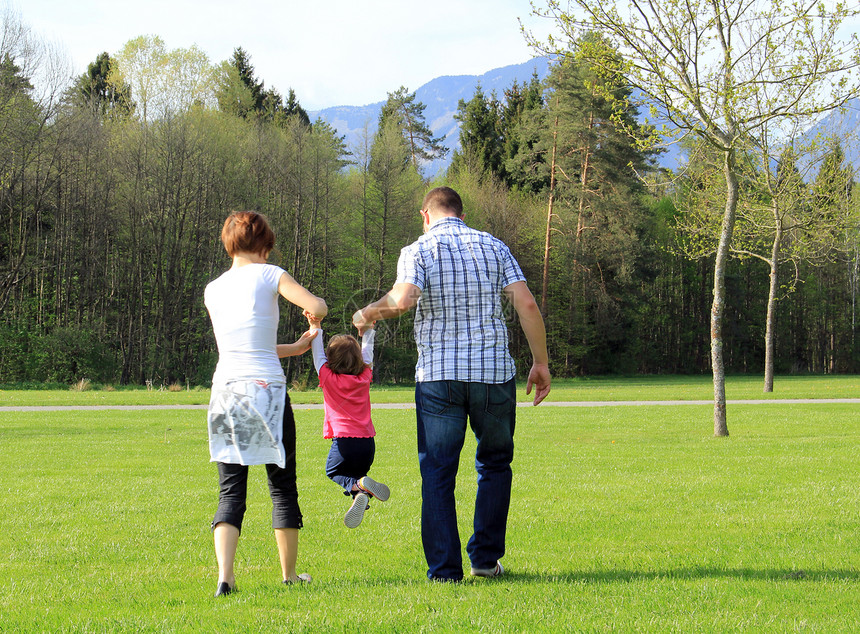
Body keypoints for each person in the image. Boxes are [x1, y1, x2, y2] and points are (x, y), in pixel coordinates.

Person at [353, 186, 551, 582]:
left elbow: (404, 299)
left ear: (425, 214)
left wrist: (368, 312)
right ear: (460, 213)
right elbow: (527, 305)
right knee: (495, 464)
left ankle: (444, 571)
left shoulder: (419, 250)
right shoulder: (494, 247)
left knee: (438, 471)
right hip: (493, 374)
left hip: (439, 377)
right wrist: (541, 363)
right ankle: (484, 559)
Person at [204, 210, 327, 597]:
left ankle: (226, 577)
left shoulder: (213, 288)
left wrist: (295, 347)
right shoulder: (271, 274)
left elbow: (245, 345)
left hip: (225, 389)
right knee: (281, 485)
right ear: (263, 245)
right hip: (267, 390)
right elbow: (317, 306)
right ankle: (289, 576)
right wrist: (314, 313)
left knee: (230, 488)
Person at [305, 312, 390, 528]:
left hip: (344, 442)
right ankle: (360, 494)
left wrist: (315, 324)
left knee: (333, 472)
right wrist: (368, 328)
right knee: (358, 479)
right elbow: (368, 352)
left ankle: (359, 487)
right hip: (367, 442)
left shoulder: (327, 377)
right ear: (359, 358)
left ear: (331, 359)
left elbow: (317, 354)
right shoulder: (364, 376)